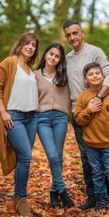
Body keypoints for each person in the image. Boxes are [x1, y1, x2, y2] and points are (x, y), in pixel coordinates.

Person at [63, 19, 109, 210]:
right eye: (68, 34)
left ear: (82, 33)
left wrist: (99, 98)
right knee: (86, 157)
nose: (72, 37)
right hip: (79, 114)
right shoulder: (67, 59)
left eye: (75, 33)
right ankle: (93, 196)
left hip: (99, 112)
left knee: (104, 153)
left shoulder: (95, 52)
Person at [0, 32, 39, 217]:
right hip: (14, 117)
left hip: (32, 117)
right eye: (27, 43)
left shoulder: (30, 68)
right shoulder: (9, 63)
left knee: (23, 158)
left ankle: (18, 197)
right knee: (26, 156)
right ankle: (21, 199)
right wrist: (3, 112)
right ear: (20, 44)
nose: (30, 47)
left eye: (34, 45)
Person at [74, 62, 109, 216]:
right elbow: (78, 120)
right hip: (90, 145)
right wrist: (89, 110)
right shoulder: (83, 96)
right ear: (85, 79)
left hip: (108, 144)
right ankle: (101, 201)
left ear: (103, 76)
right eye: (91, 74)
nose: (95, 76)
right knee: (96, 173)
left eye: (97, 73)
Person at [35, 42, 74, 208]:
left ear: (60, 60)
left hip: (60, 119)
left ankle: (53, 192)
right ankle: (62, 191)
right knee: (52, 155)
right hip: (41, 119)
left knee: (58, 156)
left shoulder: (65, 76)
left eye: (57, 56)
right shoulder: (34, 75)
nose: (53, 57)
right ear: (45, 55)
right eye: (51, 54)